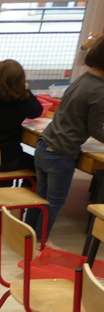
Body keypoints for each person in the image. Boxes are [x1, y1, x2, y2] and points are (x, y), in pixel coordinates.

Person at [26, 36, 104, 240]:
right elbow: (96, 129)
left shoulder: (84, 79)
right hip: (60, 154)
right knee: (54, 201)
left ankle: (26, 236)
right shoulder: (99, 90)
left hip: (44, 146)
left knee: (40, 196)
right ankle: (40, 242)